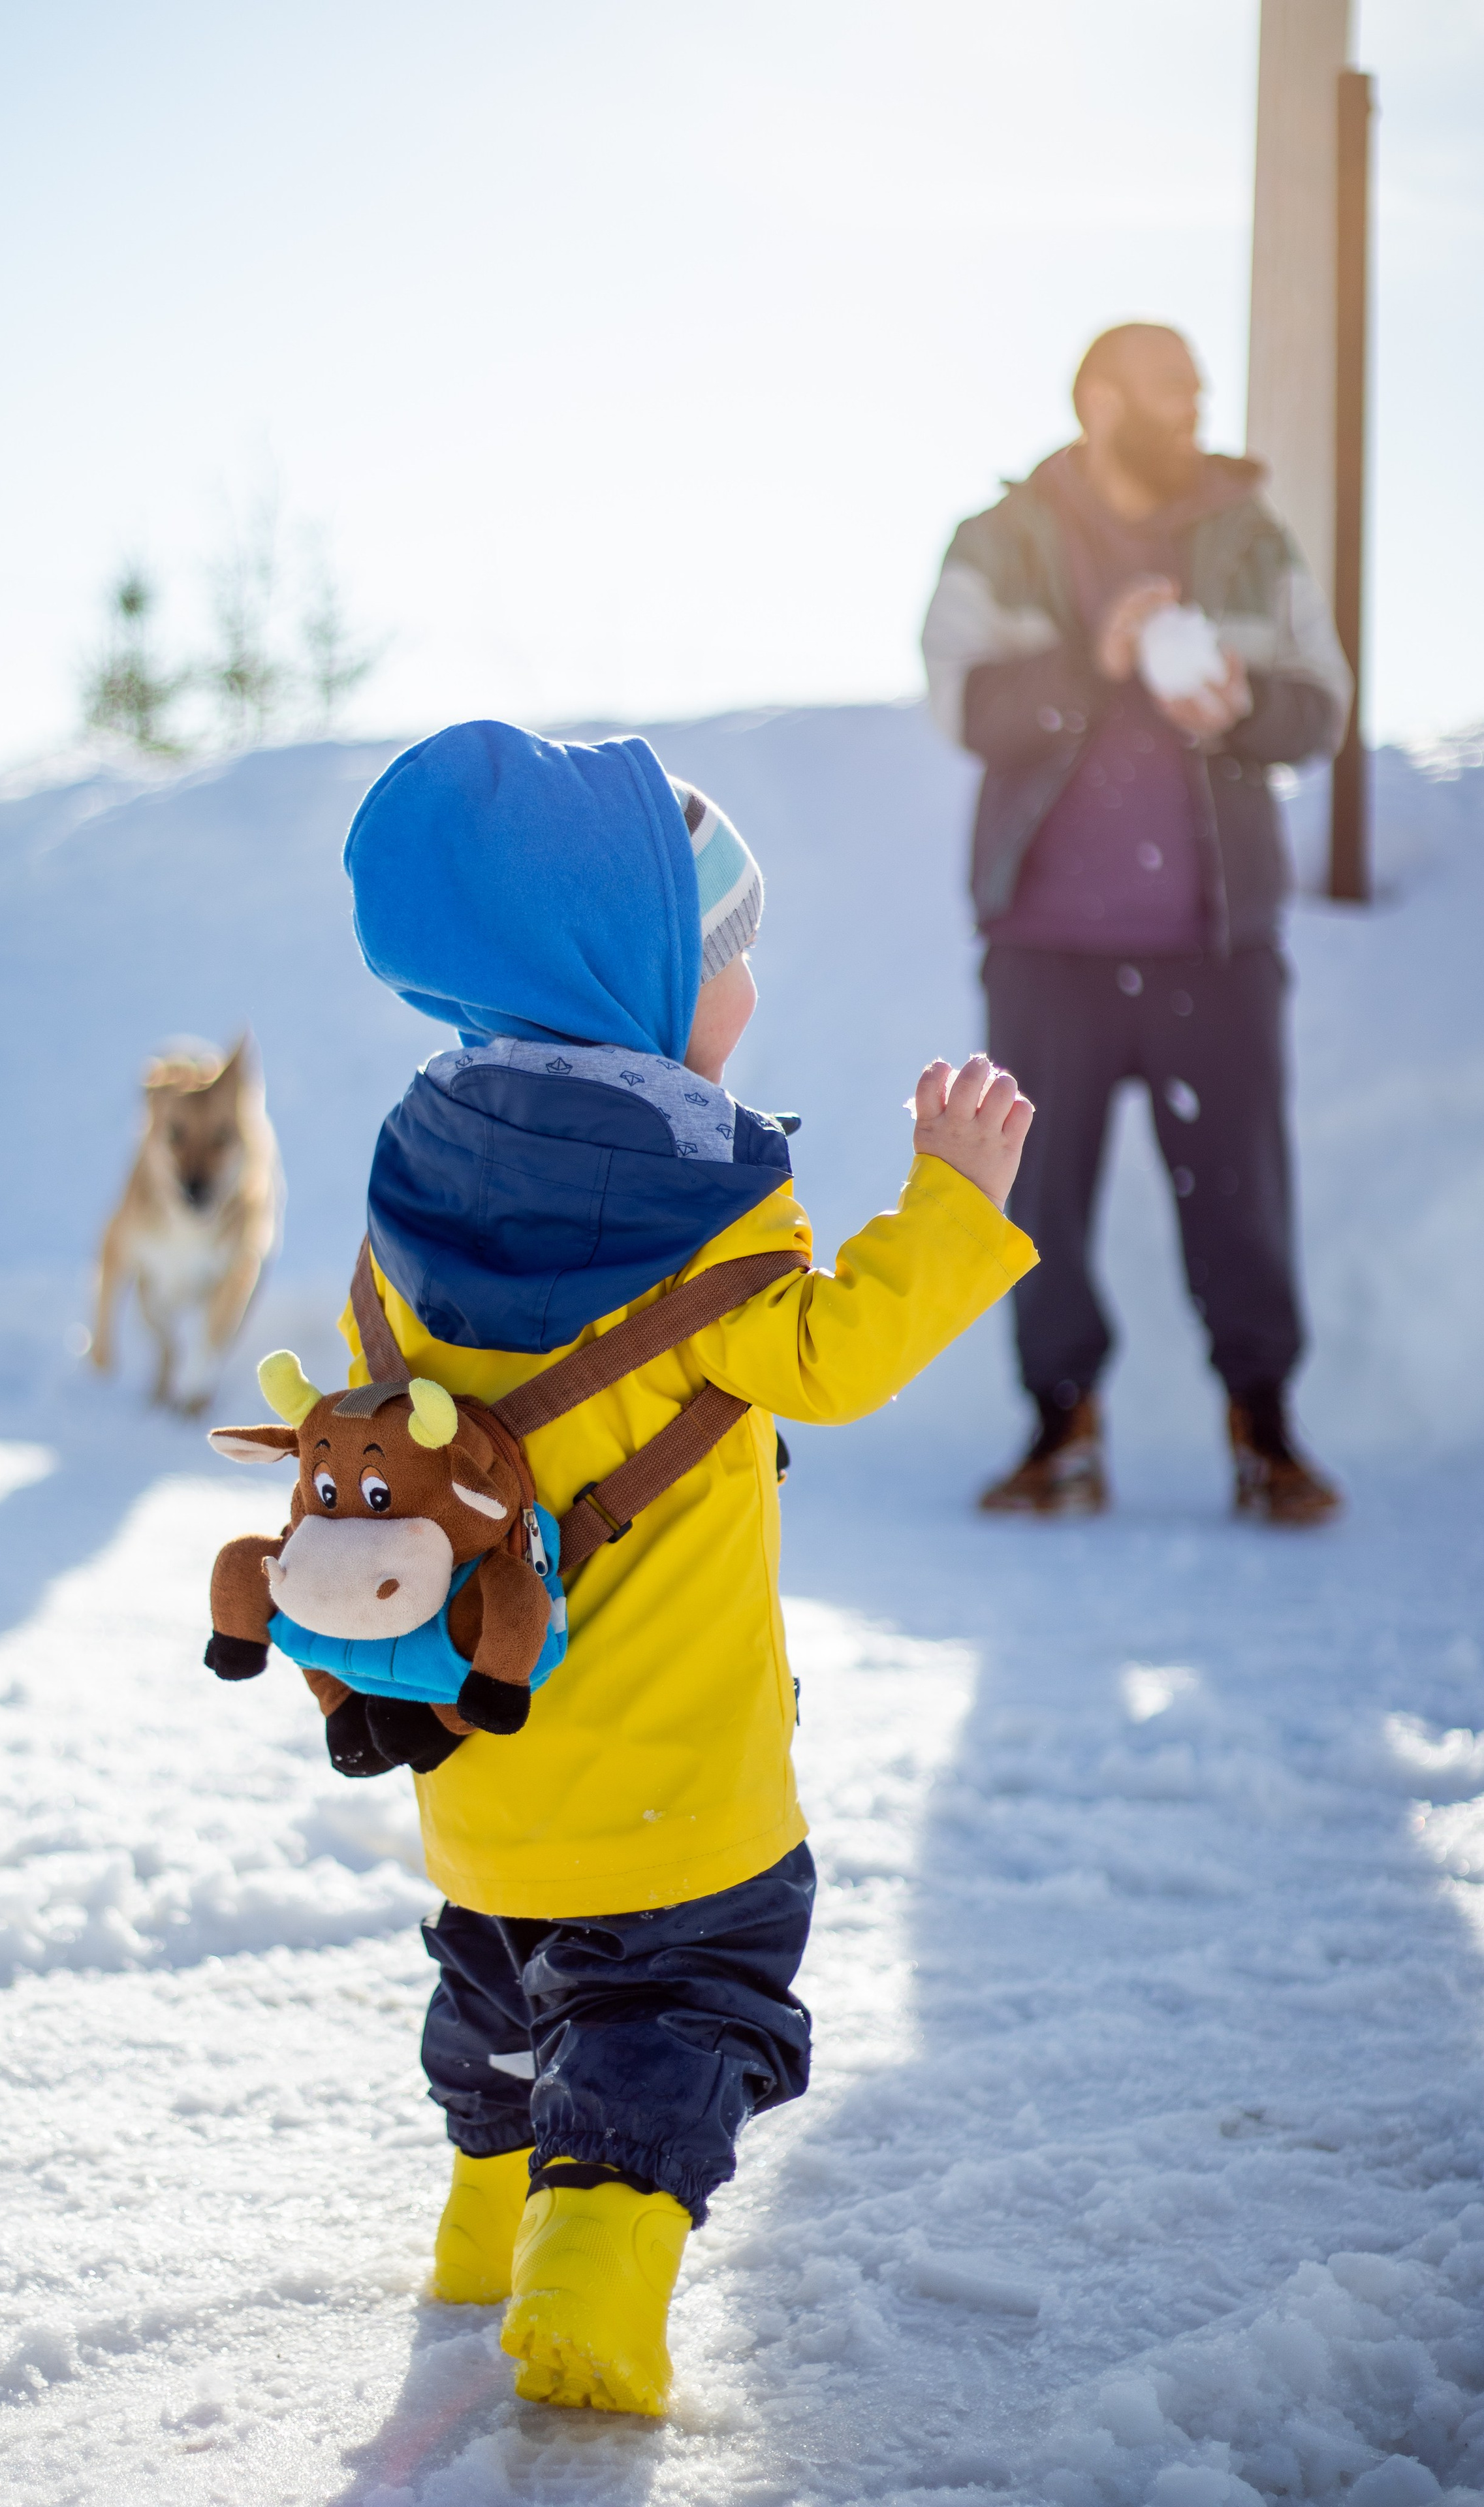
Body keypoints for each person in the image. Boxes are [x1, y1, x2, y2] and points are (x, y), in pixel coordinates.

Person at [337, 721, 1036, 2414]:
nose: (745, 992)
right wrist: (950, 1202)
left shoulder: (418, 1180)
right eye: (729, 957)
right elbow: (830, 1359)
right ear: (639, 969)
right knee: (681, 1994)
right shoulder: (701, 1202)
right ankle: (602, 2260)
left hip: (482, 1753)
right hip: (668, 1781)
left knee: (501, 1978)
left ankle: (488, 2209)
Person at [921, 321, 1350, 1524]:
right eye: (1174, 392)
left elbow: (1320, 707)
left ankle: (1266, 1433)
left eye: (1200, 391)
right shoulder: (1001, 543)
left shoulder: (1251, 540)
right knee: (1038, 1197)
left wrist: (1244, 702)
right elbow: (960, 698)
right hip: (1042, 948)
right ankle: (1061, 1432)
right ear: (1100, 399)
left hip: (1214, 949)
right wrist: (1090, 662)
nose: (1198, 411)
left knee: (1242, 1199)